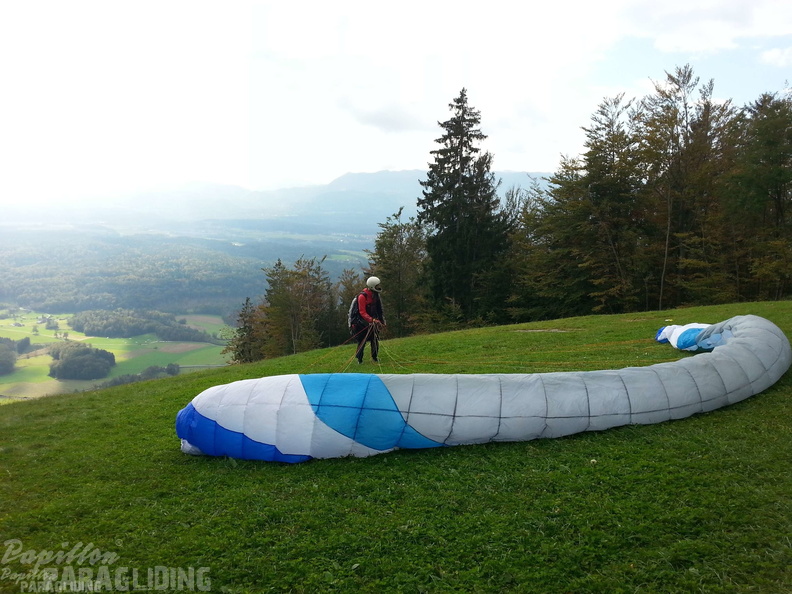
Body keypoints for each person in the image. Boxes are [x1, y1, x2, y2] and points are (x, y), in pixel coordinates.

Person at [351, 276, 386, 364]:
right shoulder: (362, 296)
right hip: (361, 323)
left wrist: (381, 321)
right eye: (377, 285)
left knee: (375, 339)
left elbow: (379, 309)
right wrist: (371, 320)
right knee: (362, 341)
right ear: (372, 286)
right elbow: (362, 312)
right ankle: (359, 359)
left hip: (373, 321)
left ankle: (374, 357)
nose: (379, 287)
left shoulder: (376, 296)